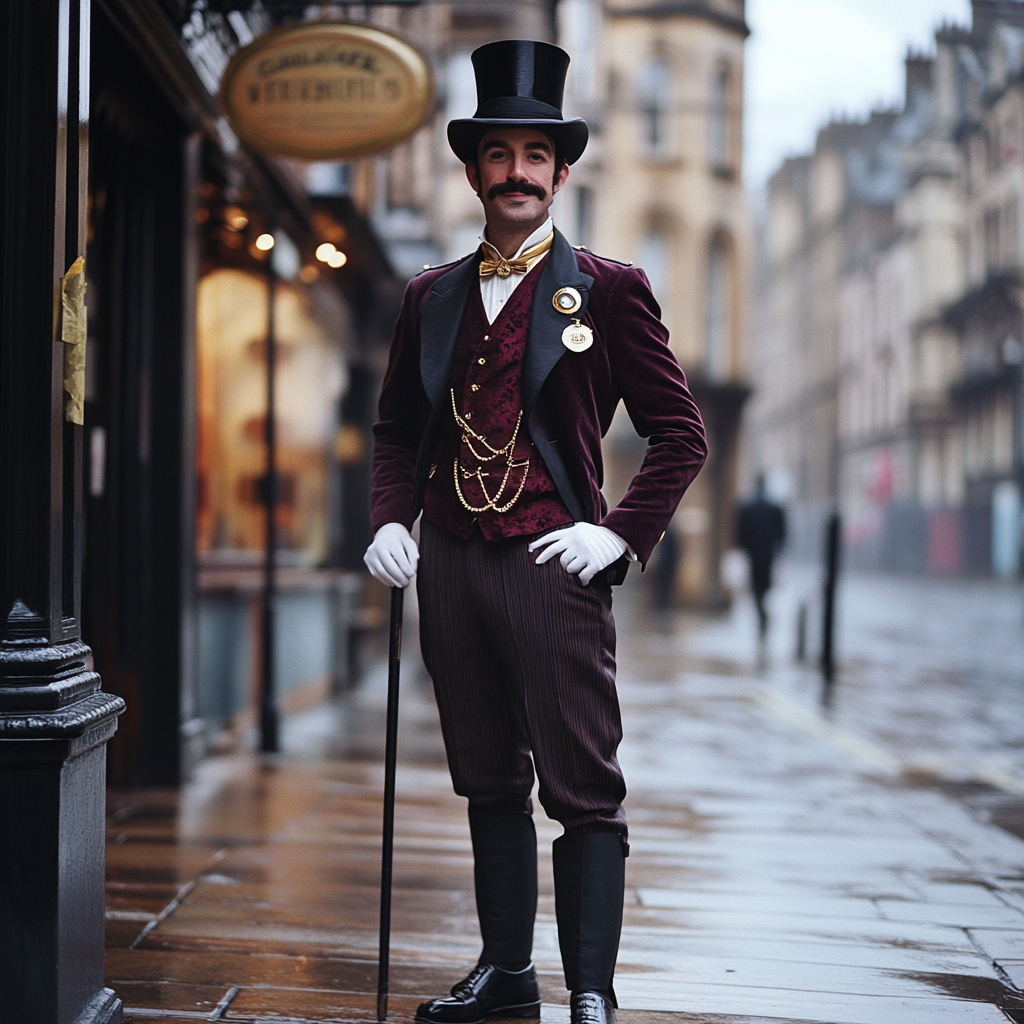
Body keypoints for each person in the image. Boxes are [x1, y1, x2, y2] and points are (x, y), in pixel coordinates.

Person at [364, 39, 707, 1024]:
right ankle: (506, 973)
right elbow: (394, 428)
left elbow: (680, 434)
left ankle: (591, 991)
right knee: (485, 775)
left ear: (559, 173)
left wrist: (622, 534)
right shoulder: (425, 295)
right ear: (473, 170)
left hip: (554, 563)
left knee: (582, 785)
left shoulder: (605, 287)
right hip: (453, 564)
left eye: (535, 156)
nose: (516, 173)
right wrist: (390, 519)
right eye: (499, 155)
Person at [736, 476, 787, 639]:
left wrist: (743, 549)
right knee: (764, 586)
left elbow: (740, 533)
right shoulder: (775, 508)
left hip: (753, 553)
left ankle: (762, 612)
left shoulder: (747, 507)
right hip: (768, 553)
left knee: (757, 587)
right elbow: (782, 533)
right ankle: (762, 613)